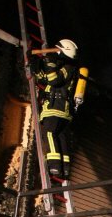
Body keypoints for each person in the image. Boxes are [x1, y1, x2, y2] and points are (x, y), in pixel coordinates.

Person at [31, 39, 82, 180]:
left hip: (56, 108)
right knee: (60, 137)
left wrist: (50, 64)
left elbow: (54, 80)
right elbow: (45, 79)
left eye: (58, 50)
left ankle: (54, 165)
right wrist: (37, 66)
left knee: (49, 134)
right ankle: (64, 169)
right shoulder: (65, 67)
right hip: (61, 110)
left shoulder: (68, 67)